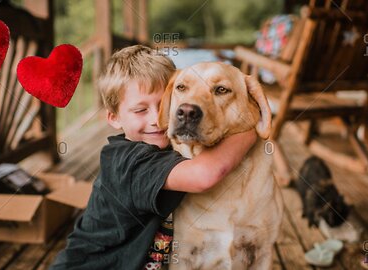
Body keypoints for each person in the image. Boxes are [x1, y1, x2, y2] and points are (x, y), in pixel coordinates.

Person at [50, 45, 257, 270]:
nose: (156, 120)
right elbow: (205, 175)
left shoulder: (172, 148)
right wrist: (250, 126)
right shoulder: (128, 162)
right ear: (114, 118)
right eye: (140, 111)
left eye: (164, 106)